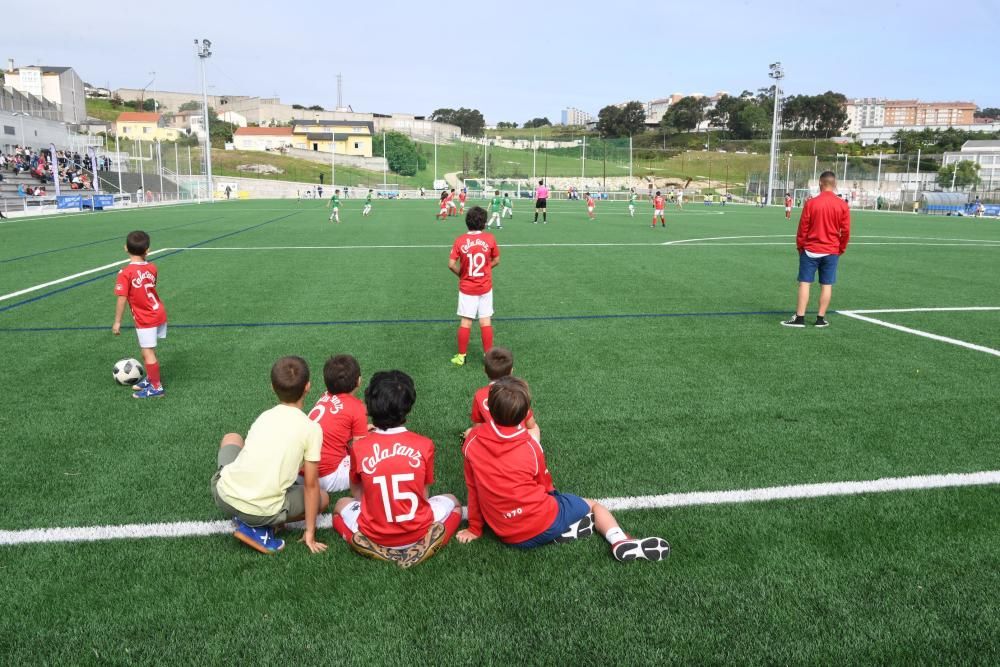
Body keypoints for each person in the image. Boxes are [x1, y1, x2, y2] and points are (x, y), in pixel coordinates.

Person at [457, 376, 670, 562]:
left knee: (549, 511)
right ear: (524, 415)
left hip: (506, 535)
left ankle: (565, 531)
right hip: (541, 521)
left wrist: (475, 528)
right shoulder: (531, 448)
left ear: (490, 410)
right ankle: (619, 541)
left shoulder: (471, 442)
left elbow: (472, 487)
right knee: (594, 506)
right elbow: (545, 485)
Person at [331, 371, 461, 568]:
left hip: (375, 533)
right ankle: (427, 545)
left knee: (340, 505)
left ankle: (366, 544)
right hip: (418, 530)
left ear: (369, 405)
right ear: (408, 406)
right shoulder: (424, 444)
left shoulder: (359, 447)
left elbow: (357, 493)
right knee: (455, 502)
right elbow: (424, 495)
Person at [211, 356, 328, 555]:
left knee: (231, 438)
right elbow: (311, 485)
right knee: (323, 498)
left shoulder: (265, 415)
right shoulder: (311, 429)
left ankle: (247, 517)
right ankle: (259, 526)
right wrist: (310, 532)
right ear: (308, 387)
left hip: (223, 495)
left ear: (272, 387)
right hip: (262, 510)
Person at [781, 171, 851, 329]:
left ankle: (800, 318)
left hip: (810, 249)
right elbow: (845, 231)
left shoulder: (811, 203)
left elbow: (803, 228)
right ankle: (820, 318)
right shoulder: (842, 204)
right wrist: (841, 248)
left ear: (820, 183)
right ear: (835, 184)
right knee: (827, 284)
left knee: (805, 283)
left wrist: (800, 246)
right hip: (831, 250)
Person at [112, 231, 168, 399]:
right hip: (158, 311)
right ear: (148, 250)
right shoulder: (152, 267)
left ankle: (156, 387)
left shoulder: (125, 273)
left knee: (147, 352)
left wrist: (117, 322)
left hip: (146, 317)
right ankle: (151, 379)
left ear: (125, 248)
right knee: (147, 350)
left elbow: (122, 299)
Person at [304, 354, 369, 493]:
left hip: (302, 471)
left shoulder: (325, 396)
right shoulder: (357, 407)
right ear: (359, 381)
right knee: (377, 455)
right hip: (326, 476)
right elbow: (360, 450)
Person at [448, 206, 499, 367]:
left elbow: (451, 264)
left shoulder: (460, 240)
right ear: (484, 223)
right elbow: (496, 260)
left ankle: (461, 356)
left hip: (467, 287)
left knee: (466, 321)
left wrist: (463, 275)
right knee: (485, 321)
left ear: (467, 222)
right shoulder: (490, 238)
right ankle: (488, 357)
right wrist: (484, 270)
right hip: (485, 286)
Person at [463, 346, 537, 440]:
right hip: (517, 439)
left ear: (485, 370)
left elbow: (478, 425)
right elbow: (531, 424)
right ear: (511, 371)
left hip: (491, 439)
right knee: (535, 428)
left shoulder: (479, 394)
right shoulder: (518, 391)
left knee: (469, 432)